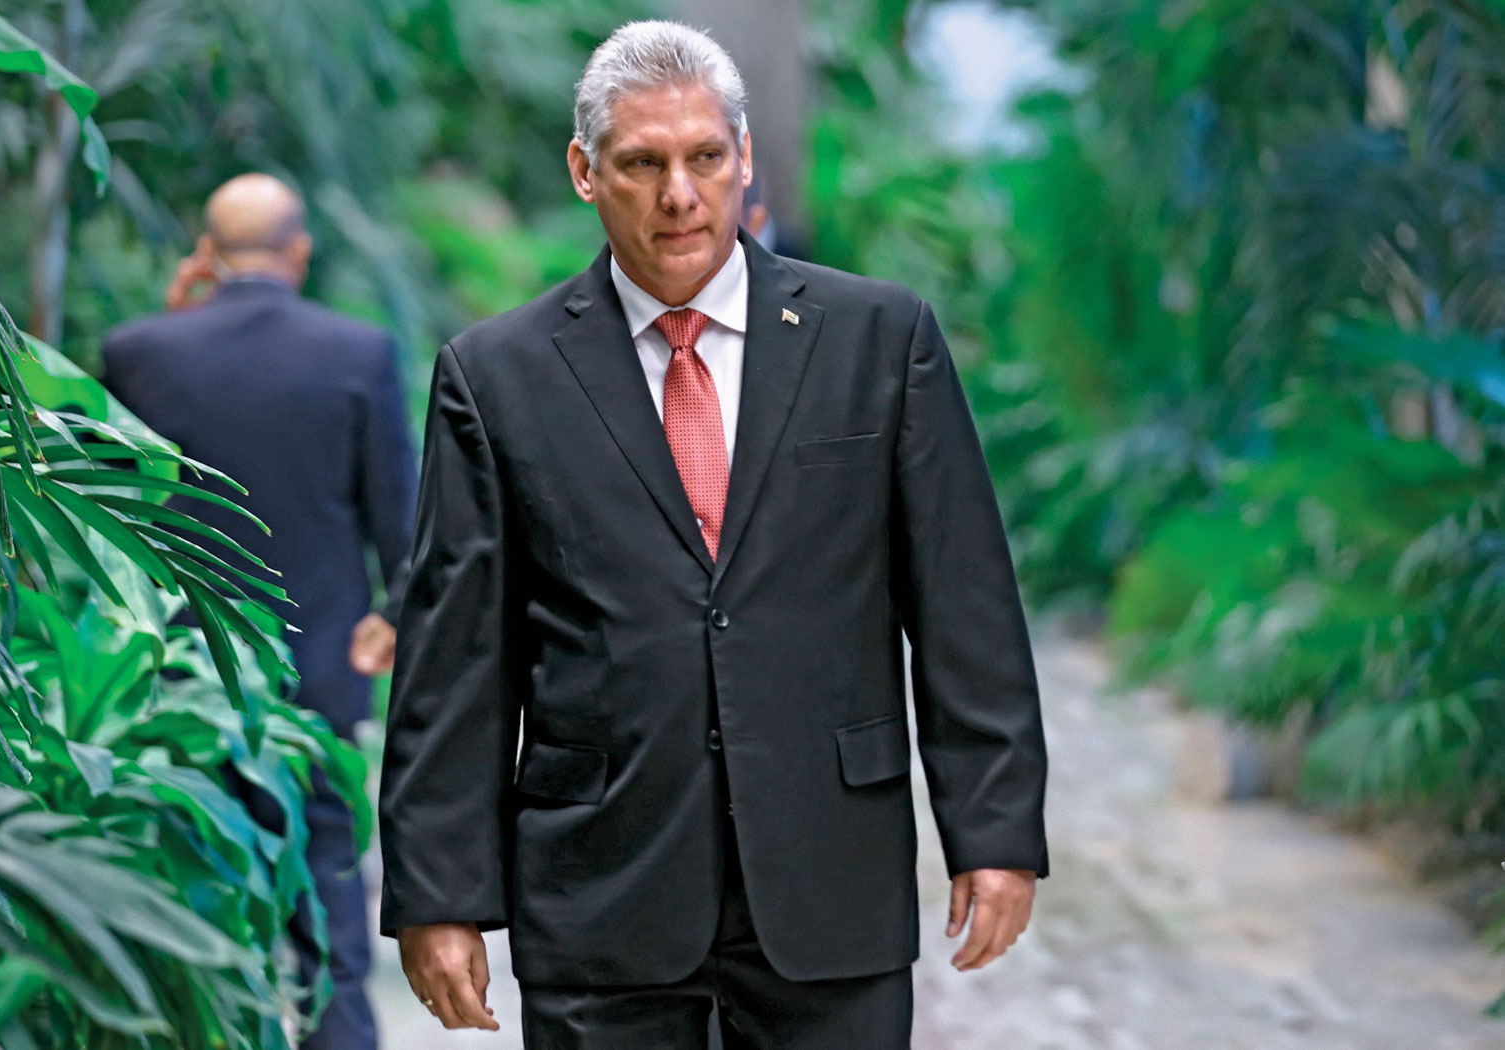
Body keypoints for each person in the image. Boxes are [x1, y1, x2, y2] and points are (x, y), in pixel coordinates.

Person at [380, 20, 1047, 1049]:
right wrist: (437, 895)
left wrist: (993, 830)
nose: (679, 195)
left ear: (744, 159)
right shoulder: (496, 376)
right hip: (601, 888)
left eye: (703, 157)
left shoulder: (880, 342)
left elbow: (964, 605)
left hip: (829, 875)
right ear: (585, 172)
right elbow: (456, 654)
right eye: (642, 164)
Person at [101, 173, 418, 1050]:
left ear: (206, 255)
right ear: (299, 249)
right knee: (326, 878)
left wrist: (169, 324)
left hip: (179, 679)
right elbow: (403, 525)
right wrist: (395, 615)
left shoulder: (139, 352)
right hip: (319, 674)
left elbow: (110, 511)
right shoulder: (357, 352)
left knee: (194, 881)